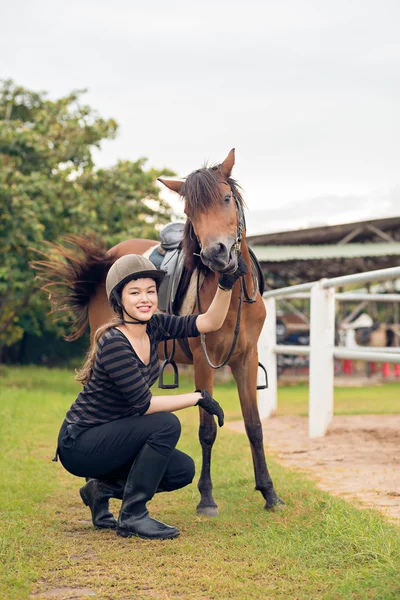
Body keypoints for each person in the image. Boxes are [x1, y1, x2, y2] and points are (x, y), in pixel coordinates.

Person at [54, 253, 247, 540]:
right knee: (165, 424)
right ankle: (133, 516)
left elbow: (208, 322)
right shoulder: (115, 343)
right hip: (80, 444)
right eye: (134, 292)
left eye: (150, 291)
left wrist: (226, 284)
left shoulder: (154, 326)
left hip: (114, 439)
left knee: (182, 469)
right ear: (119, 300)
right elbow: (144, 405)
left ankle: (100, 490)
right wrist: (197, 397)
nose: (145, 299)